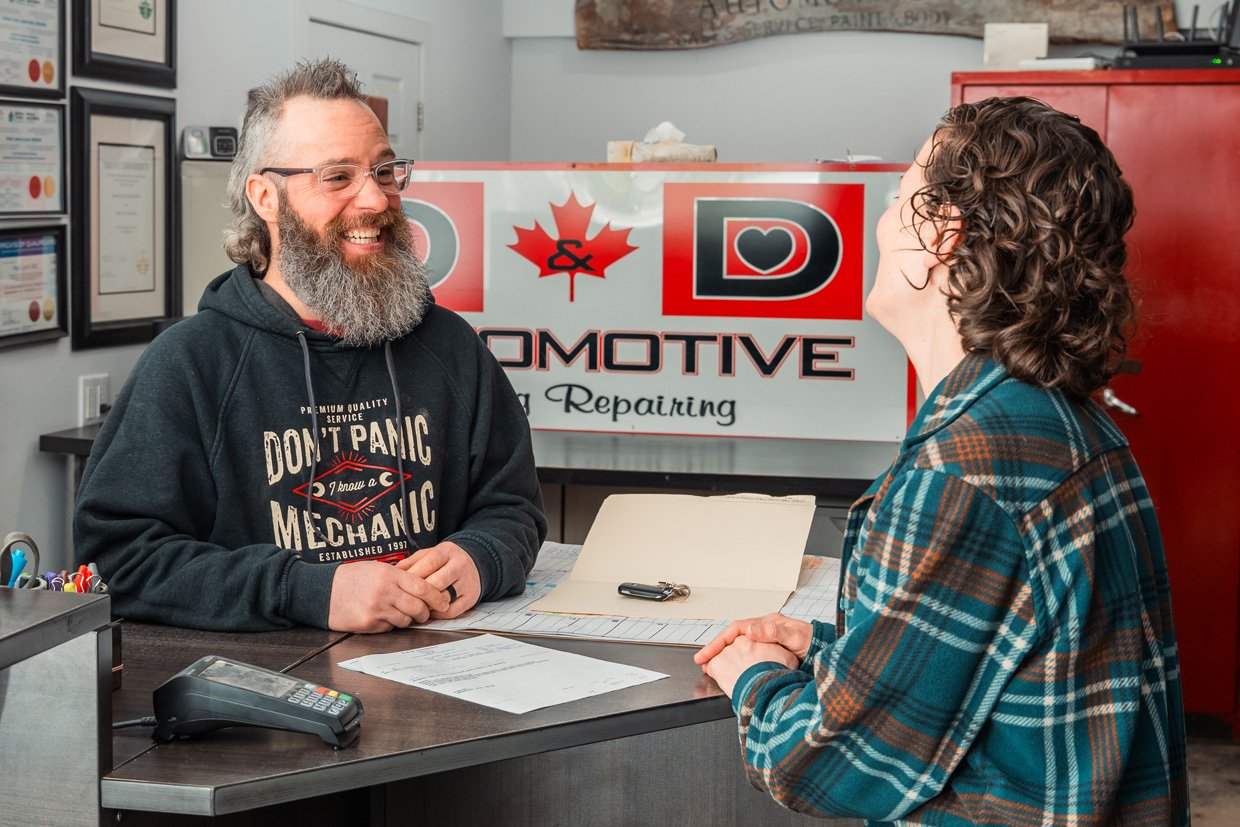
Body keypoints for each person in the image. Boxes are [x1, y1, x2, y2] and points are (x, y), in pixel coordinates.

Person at [694, 97, 1188, 825]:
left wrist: (755, 675)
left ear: (941, 235)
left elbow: (825, 761)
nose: (880, 225)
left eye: (897, 200)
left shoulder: (963, 472)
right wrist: (832, 649)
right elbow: (1002, 674)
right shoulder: (1061, 424)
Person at [74, 59, 546, 634]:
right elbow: (120, 559)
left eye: (385, 171)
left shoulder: (449, 346)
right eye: (338, 176)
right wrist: (308, 590)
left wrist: (481, 557)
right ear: (265, 197)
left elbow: (513, 507)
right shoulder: (190, 364)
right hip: (261, 699)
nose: (375, 200)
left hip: (445, 677)